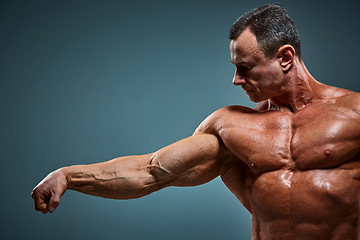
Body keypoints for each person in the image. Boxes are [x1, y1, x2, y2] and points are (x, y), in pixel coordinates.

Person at [31, 4, 360, 240]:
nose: (235, 79)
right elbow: (151, 171)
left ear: (285, 58)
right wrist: (68, 177)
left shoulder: (355, 113)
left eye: (245, 68)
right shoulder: (233, 127)